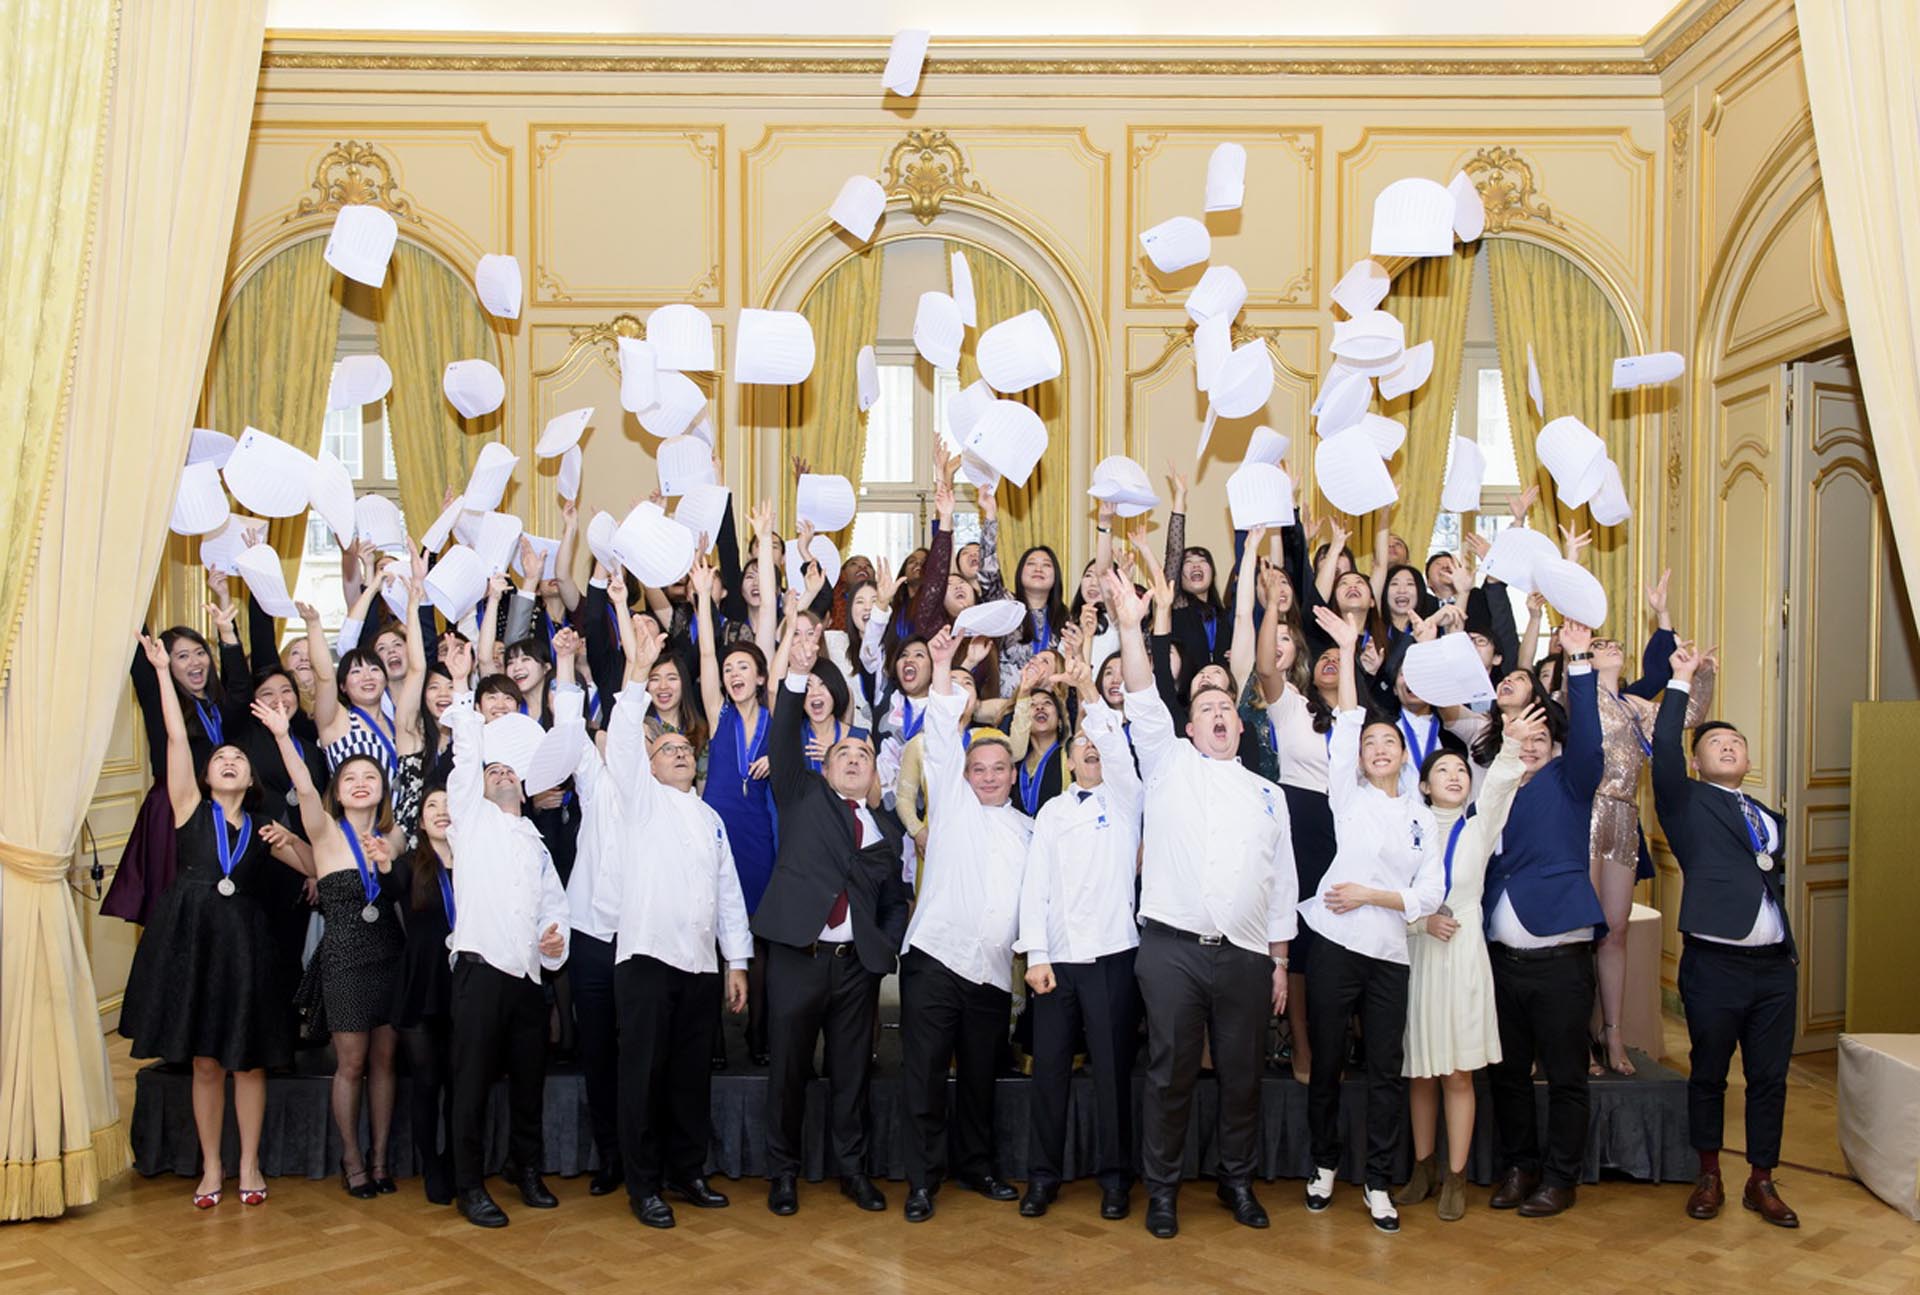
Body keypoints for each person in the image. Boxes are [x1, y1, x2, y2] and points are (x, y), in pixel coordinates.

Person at [1108, 570, 1295, 1241]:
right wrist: (1131, 624)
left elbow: (1283, 886)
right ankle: (1161, 1190)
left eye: (1226, 706)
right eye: (1206, 706)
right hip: (1171, 950)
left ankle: (1237, 1180)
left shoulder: (1268, 796)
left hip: (1245, 957)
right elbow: (1138, 691)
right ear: (1189, 725)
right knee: (1169, 1075)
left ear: (1239, 726)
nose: (1219, 712)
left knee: (1242, 1076)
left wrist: (1278, 961)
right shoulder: (1166, 762)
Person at [120, 633, 306, 1208]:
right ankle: (211, 1166)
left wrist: (292, 839)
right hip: (192, 942)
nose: (228, 761)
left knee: (246, 1063)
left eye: (238, 760)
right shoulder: (186, 809)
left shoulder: (263, 827)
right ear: (206, 775)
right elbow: (177, 736)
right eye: (221, 758)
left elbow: (313, 866)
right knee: (204, 1062)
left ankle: (249, 1163)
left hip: (245, 948)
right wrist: (158, 675)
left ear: (251, 782)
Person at [1296, 608, 1444, 1234]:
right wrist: (1351, 646)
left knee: (1386, 1068)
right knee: (1327, 1060)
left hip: (1389, 953)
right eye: (1369, 745)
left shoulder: (1422, 816)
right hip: (1333, 941)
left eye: (1390, 743)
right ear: (1358, 758)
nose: (1379, 748)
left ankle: (1379, 1181)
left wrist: (1371, 895)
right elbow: (1352, 714)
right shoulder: (1345, 794)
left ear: (1402, 756)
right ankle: (1324, 1165)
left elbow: (1428, 896)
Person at [757, 627, 911, 1217]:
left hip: (855, 971)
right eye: (844, 753)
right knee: (788, 1074)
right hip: (799, 958)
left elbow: (895, 900)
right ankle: (783, 1174)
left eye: (864, 756)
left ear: (875, 775)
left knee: (852, 1078)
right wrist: (795, 675)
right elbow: (781, 732)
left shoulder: (884, 832)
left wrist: (885, 945)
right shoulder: (800, 793)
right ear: (826, 767)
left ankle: (853, 1172)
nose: (853, 760)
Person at [1652, 642, 1799, 1228]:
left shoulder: (1768, 817)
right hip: (1715, 965)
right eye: (1715, 742)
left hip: (1774, 969)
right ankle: (1709, 1172)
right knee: (1709, 1072)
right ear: (1696, 762)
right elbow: (1663, 748)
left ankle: (1761, 1179)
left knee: (1769, 1078)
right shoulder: (1685, 802)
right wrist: (1681, 681)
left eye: (1735, 740)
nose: (1729, 744)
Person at [605, 667, 752, 1230]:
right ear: (649, 764)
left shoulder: (711, 818)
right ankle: (643, 1186)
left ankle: (686, 1172)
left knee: (691, 1076)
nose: (680, 753)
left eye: (686, 748)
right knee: (642, 1076)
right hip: (645, 959)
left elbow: (729, 896)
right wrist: (637, 676)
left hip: (699, 966)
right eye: (667, 748)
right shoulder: (639, 801)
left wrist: (736, 962)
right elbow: (623, 743)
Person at [896, 626, 1033, 1223]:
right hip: (935, 958)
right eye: (979, 767)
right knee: (925, 1076)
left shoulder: (1030, 831)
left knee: (980, 1078)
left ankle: (976, 1167)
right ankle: (923, 1182)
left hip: (993, 973)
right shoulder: (950, 803)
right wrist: (949, 665)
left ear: (1012, 771)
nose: (989, 775)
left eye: (1000, 767)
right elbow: (941, 739)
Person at [439, 637, 573, 1229]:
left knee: (528, 1082)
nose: (494, 773)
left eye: (504, 771)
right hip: (478, 971)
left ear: (521, 785)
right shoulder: (469, 821)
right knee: (468, 1084)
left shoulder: (536, 843)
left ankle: (527, 1169)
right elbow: (467, 756)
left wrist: (553, 938)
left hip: (525, 980)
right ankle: (470, 1185)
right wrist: (465, 682)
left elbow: (555, 908)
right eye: (488, 769)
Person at [257, 693, 408, 1200]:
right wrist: (283, 736)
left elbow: (404, 875)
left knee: (386, 1063)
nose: (361, 783)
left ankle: (382, 1158)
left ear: (382, 789)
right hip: (343, 959)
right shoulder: (322, 832)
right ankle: (351, 1158)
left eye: (370, 777)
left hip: (390, 952)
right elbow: (303, 786)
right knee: (352, 1064)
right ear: (338, 794)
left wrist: (386, 858)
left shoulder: (395, 835)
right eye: (350, 779)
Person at [1395, 710, 1544, 1223]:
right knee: (1420, 1072)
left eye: (1461, 771)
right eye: (1443, 771)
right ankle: (1423, 1168)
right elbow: (1388, 894)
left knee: (1457, 1072)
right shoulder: (1406, 829)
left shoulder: (1478, 828)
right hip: (1417, 955)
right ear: (1423, 785)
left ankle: (1456, 1178)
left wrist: (1513, 741)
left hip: (1461, 957)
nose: (1456, 776)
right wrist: (1420, 924)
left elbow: (1502, 781)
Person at [1481, 619, 1606, 1219]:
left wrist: (1577, 659)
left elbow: (1588, 744)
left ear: (1554, 745)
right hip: (1498, 959)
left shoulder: (1570, 780)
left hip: (1560, 958)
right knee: (1506, 1074)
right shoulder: (1488, 789)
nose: (1528, 745)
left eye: (1538, 737)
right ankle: (1519, 1166)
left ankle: (1561, 1177)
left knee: (1565, 1076)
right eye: (1517, 735)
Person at [1014, 655, 1141, 1221]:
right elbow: (1034, 888)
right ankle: (1042, 1176)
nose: (1091, 749)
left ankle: (1116, 1180)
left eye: (1098, 745)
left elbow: (1112, 741)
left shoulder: (1128, 801)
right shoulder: (1052, 814)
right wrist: (1036, 955)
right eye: (1081, 745)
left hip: (1115, 957)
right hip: (1057, 964)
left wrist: (1091, 700)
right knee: (1049, 1075)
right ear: (1067, 761)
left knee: (1113, 1075)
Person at [391, 786, 457, 1204]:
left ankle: (453, 1157)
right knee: (427, 1081)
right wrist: (381, 860)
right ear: (419, 821)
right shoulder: (407, 866)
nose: (441, 811)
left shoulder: (478, 861)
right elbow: (387, 879)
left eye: (449, 804)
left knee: (459, 1081)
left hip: (464, 982)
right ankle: (429, 1161)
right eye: (432, 805)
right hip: (421, 982)